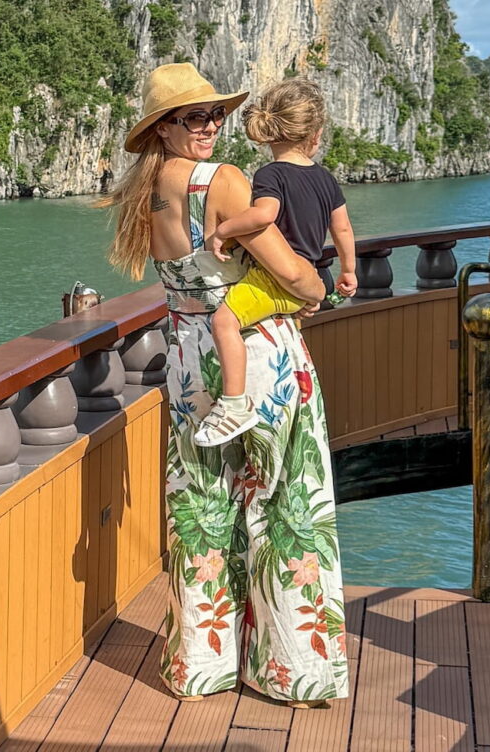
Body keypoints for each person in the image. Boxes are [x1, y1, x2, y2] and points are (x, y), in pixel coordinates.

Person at [101, 62, 350, 705]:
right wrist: (317, 287)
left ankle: (201, 664)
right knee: (285, 499)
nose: (210, 125)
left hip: (187, 357)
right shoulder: (226, 181)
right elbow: (293, 275)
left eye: (216, 114)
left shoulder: (149, 187)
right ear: (164, 126)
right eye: (194, 116)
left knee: (201, 505)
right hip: (258, 357)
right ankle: (293, 667)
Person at [194, 77, 357, 447]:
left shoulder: (271, 174)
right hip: (316, 276)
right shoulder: (325, 178)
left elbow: (264, 216)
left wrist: (224, 231)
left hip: (276, 279)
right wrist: (348, 271)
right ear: (315, 135)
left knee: (224, 321)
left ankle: (234, 404)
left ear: (270, 133)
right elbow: (343, 230)